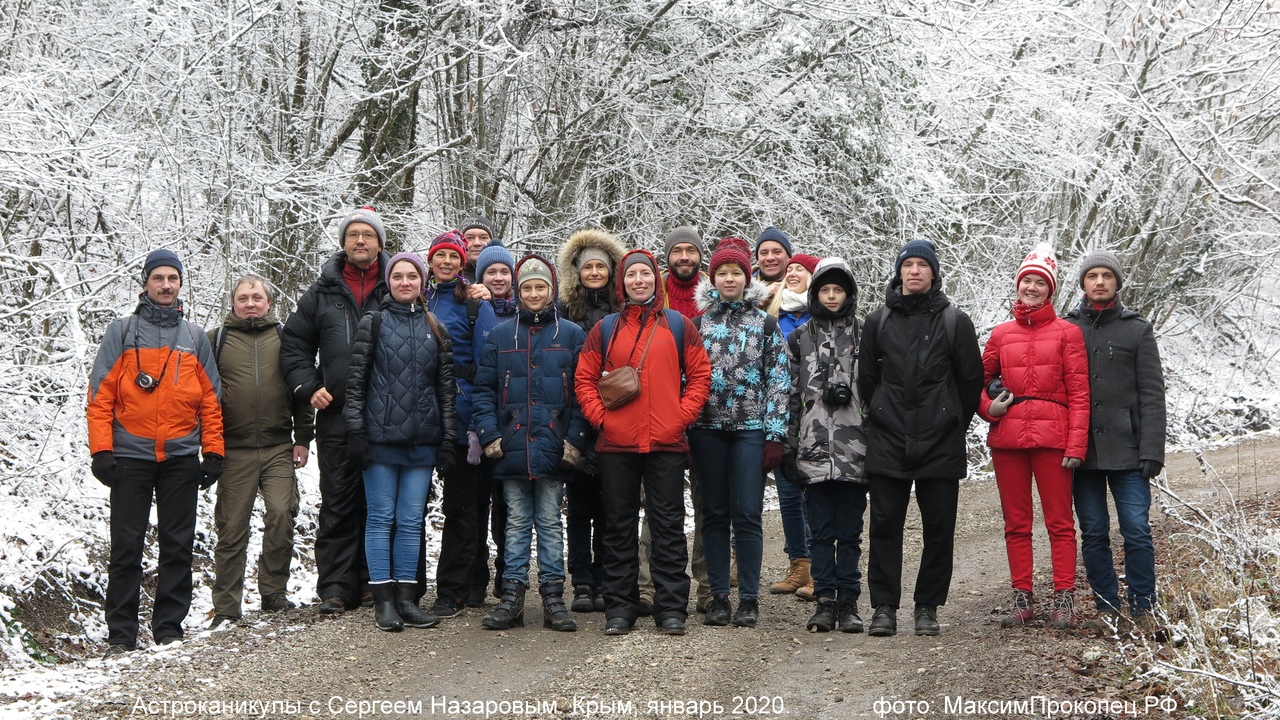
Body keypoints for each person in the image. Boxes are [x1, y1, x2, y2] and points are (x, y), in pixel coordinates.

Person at [87, 249, 224, 658]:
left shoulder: (195, 337)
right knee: (126, 546)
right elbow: (100, 398)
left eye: (173, 279)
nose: (166, 285)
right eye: (158, 278)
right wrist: (101, 451)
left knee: (178, 545)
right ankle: (121, 635)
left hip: (181, 458)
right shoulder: (122, 332)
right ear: (145, 283)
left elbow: (211, 402)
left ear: (181, 284)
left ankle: (169, 629)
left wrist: (213, 452)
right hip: (129, 457)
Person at [574, 249, 711, 636]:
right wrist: (603, 420)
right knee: (618, 528)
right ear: (623, 283)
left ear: (657, 280)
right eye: (632, 275)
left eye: (645, 274)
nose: (639, 281)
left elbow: (700, 376)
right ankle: (620, 608)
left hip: (665, 444)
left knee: (667, 527)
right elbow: (584, 380)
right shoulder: (604, 330)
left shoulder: (680, 326)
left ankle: (671, 608)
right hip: (617, 445)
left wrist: (679, 418)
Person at [857, 239, 983, 637]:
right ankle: (883, 607)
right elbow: (867, 381)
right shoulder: (877, 322)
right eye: (907, 264)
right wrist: (880, 414)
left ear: (933, 273)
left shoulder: (955, 322)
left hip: (940, 442)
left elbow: (970, 381)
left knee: (940, 527)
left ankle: (927, 607)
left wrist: (949, 420)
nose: (914, 271)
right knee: (884, 525)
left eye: (921, 265)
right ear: (898, 272)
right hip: (888, 438)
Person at [281, 206, 391, 614]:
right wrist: (309, 387)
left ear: (380, 243)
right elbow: (293, 346)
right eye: (353, 235)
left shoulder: (396, 284)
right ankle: (337, 587)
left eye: (368, 235)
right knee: (339, 500)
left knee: (380, 502)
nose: (360, 241)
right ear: (344, 243)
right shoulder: (321, 293)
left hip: (387, 415)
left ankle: (373, 581)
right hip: (336, 415)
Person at [978, 243, 1090, 629]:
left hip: (1054, 439)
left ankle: (1064, 599)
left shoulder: (1068, 333)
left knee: (1060, 522)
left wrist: (1076, 443)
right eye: (1027, 280)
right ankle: (1022, 598)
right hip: (1007, 438)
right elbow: (979, 382)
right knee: (1016, 522)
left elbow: (1079, 393)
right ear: (1017, 284)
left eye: (1040, 282)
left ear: (1050, 290)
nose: (1031, 287)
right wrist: (988, 408)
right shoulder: (1000, 334)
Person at [474, 255, 589, 632]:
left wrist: (573, 439)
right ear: (518, 292)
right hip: (512, 444)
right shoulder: (501, 335)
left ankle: (554, 597)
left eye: (541, 286)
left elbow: (581, 394)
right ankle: (512, 596)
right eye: (527, 288)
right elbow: (484, 391)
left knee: (551, 521)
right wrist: (491, 436)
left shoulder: (570, 334)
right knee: (517, 522)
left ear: (551, 289)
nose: (534, 293)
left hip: (554, 444)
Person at [344, 253, 456, 631]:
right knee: (380, 519)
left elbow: (446, 391)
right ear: (389, 282)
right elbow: (356, 383)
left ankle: (407, 600)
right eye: (398, 276)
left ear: (422, 283)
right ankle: (384, 602)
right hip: (379, 441)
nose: (405, 282)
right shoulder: (373, 323)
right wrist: (356, 432)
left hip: (422, 443)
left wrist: (448, 440)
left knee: (410, 521)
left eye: (412, 277)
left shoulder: (435, 326)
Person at [687, 237, 789, 628]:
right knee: (712, 514)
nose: (729, 279)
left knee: (747, 514)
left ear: (748, 279)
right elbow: (685, 378)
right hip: (706, 430)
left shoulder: (765, 323)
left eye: (736, 273)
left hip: (750, 431)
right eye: (723, 273)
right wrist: (683, 429)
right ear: (712, 279)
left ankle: (748, 598)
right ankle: (717, 597)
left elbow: (778, 380)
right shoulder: (697, 325)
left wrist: (775, 435)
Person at [1064, 250, 1166, 633]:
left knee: (1136, 530)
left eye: (1108, 275)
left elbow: (1153, 393)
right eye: (1093, 276)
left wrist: (1152, 449)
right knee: (1093, 532)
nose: (1100, 282)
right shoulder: (1067, 328)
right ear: (1084, 283)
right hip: (1082, 453)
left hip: (1129, 453)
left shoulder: (1137, 329)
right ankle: (1107, 607)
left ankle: (1143, 607)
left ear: (1118, 283)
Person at [208, 275, 314, 629]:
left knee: (282, 514)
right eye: (243, 298)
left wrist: (303, 438)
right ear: (233, 303)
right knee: (231, 526)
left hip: (278, 447)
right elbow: (202, 395)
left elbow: (301, 389)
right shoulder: (215, 340)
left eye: (257, 297)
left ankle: (273, 591)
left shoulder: (286, 339)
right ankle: (226, 607)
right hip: (232, 451)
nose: (250, 303)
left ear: (269, 303)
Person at [781, 259, 869, 633]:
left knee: (849, 530)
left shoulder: (866, 334)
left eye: (838, 290)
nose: (831, 297)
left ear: (848, 294)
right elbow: (786, 394)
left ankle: (849, 600)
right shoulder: (799, 337)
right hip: (812, 449)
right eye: (825, 290)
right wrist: (786, 444)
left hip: (856, 450)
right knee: (819, 530)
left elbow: (878, 391)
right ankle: (824, 599)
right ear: (814, 293)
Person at [424, 231, 500, 617]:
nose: (448, 263)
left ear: (462, 262)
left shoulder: (474, 302)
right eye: (441, 257)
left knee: (463, 507)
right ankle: (414, 585)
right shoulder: (418, 297)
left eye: (454, 257)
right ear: (431, 261)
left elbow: (488, 363)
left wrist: (479, 422)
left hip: (463, 417)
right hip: (423, 416)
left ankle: (458, 589)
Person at [555, 228, 628, 614]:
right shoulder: (565, 310)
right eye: (588, 267)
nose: (595, 272)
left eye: (601, 266)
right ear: (577, 272)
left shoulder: (623, 310)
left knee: (612, 507)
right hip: (576, 416)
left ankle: (606, 579)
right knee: (580, 505)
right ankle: (581, 580)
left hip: (617, 414)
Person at [765, 252, 820, 599]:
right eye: (790, 270)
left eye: (802, 269)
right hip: (782, 412)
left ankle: (820, 566)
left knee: (812, 493)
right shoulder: (772, 315)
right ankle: (798, 565)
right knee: (787, 493)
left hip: (816, 415)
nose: (794, 273)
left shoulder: (822, 314)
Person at [468, 241, 517, 605]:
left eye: (503, 271)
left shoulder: (528, 309)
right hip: (478, 414)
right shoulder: (472, 307)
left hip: (514, 420)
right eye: (491, 272)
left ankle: (506, 576)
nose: (498, 277)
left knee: (507, 506)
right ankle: (473, 579)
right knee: (473, 502)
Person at [661, 226, 707, 319]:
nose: (684, 257)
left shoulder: (716, 293)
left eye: (691, 250)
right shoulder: (653, 292)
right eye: (677, 251)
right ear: (667, 257)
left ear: (700, 256)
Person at [753, 226, 793, 301]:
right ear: (757, 259)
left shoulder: (803, 287)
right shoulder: (742, 287)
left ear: (788, 257)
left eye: (777, 252)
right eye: (764, 253)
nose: (770, 258)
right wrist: (762, 294)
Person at [460, 214, 499, 285]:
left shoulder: (507, 279)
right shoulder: (449, 278)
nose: (477, 243)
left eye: (483, 238)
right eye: (469, 238)